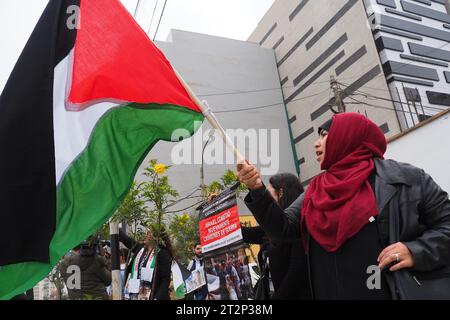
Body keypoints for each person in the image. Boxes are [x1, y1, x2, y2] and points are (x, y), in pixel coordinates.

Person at [237, 112, 450, 300]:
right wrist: (257, 188)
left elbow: (446, 225)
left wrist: (415, 251)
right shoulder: (316, 191)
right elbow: (282, 228)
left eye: (324, 135)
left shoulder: (406, 179)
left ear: (348, 135)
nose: (316, 143)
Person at [241, 173, 311, 300]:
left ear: (281, 192)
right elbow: (245, 234)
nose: (264, 199)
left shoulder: (298, 225)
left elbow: (296, 276)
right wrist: (220, 213)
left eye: (267, 193)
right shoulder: (273, 229)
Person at [119, 227, 173, 300]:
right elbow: (127, 240)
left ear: (155, 238)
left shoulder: (163, 254)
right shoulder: (140, 248)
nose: (145, 235)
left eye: (148, 233)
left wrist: (157, 298)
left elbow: (165, 280)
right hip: (135, 293)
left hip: (153, 295)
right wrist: (115, 227)